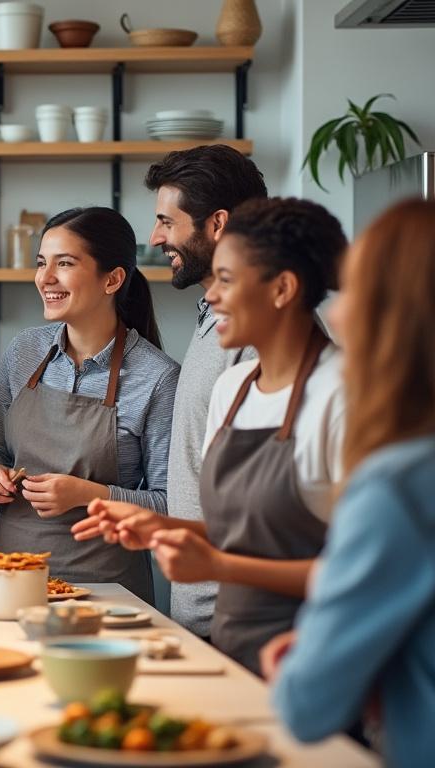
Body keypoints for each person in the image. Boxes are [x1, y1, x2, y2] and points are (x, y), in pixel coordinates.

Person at [264, 198, 435, 766]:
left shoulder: (403, 487)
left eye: (357, 293)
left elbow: (307, 707)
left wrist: (299, 661)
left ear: (403, 316)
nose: (338, 315)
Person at [75, 197, 348, 674]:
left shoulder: (344, 394)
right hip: (232, 644)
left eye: (227, 280)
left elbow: (362, 571)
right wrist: (166, 528)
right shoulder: (234, 387)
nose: (213, 298)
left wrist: (218, 567)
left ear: (283, 288)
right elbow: (250, 535)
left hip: (314, 656)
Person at [0, 207, 178, 602]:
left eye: (64, 263)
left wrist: (89, 494)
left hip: (107, 592)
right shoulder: (24, 351)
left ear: (113, 279)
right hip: (9, 581)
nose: (45, 278)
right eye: (41, 263)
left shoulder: (158, 377)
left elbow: (170, 505)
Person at [142, 145, 266, 637]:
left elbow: (267, 503)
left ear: (217, 225)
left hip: (240, 620)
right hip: (203, 613)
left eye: (167, 223)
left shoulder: (260, 334)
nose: (155, 238)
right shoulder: (211, 319)